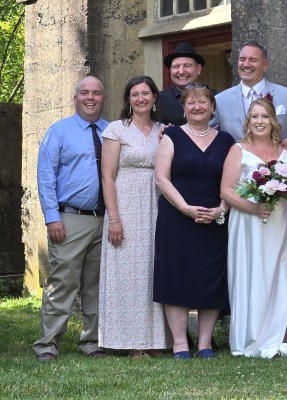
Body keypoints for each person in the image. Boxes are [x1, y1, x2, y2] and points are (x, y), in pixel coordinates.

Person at [220, 98, 287, 358]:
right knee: (254, 272)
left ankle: (286, 330)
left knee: (282, 271)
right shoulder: (238, 150)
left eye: (265, 116)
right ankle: (255, 332)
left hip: (280, 223)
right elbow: (226, 191)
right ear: (248, 122)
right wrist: (253, 208)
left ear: (273, 121)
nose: (259, 121)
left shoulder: (285, 153)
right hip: (249, 225)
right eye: (255, 116)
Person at [153, 84, 235, 359]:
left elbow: (233, 181)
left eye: (203, 102)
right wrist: (185, 208)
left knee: (210, 276)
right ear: (184, 108)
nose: (197, 107)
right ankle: (179, 344)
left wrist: (221, 209)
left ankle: (205, 343)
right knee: (177, 275)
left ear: (212, 107)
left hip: (214, 217)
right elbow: (162, 178)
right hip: (177, 215)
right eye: (191, 102)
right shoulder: (171, 136)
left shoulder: (226, 140)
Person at [34, 76, 108, 361]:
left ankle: (93, 342)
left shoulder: (112, 131)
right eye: (84, 93)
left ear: (103, 98)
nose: (90, 98)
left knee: (97, 285)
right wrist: (52, 217)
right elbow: (46, 175)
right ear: (75, 98)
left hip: (105, 219)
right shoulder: (59, 131)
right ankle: (47, 345)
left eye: (96, 93)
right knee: (62, 282)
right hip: (70, 219)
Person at [98, 76, 172, 358]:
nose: (140, 99)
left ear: (154, 98)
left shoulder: (163, 131)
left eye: (145, 93)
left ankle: (155, 340)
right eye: (134, 94)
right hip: (126, 205)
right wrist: (114, 218)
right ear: (128, 99)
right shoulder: (117, 129)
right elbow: (107, 177)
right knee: (127, 273)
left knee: (153, 270)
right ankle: (131, 341)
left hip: (156, 205)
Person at [211, 41, 287, 156]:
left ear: (265, 65)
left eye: (252, 60)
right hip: (235, 165)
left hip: (276, 164)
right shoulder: (219, 101)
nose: (246, 64)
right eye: (242, 59)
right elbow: (209, 138)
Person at [159, 42, 216, 126]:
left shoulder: (216, 97)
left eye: (187, 66)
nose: (181, 71)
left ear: (198, 69)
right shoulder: (158, 100)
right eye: (176, 66)